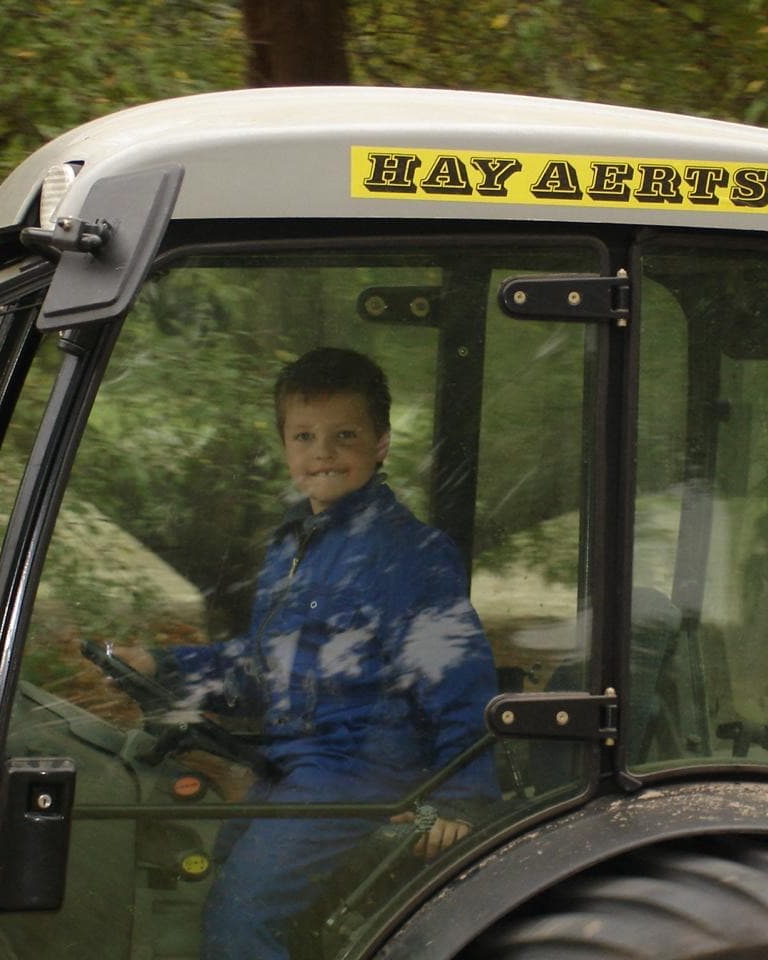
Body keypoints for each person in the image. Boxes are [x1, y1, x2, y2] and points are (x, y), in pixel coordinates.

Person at [127, 347, 499, 960]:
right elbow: (267, 666)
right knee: (215, 875)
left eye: (344, 435)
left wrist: (462, 797)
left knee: (240, 917)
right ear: (285, 447)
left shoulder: (407, 553)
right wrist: (166, 667)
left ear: (380, 443)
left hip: (360, 770)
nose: (322, 452)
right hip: (291, 764)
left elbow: (456, 675)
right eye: (305, 436)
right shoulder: (292, 545)